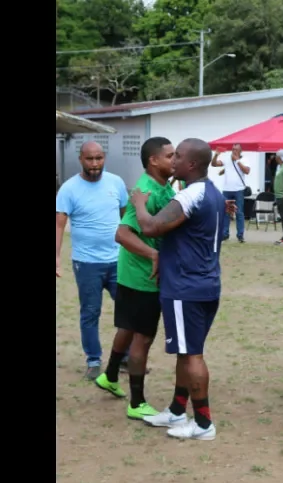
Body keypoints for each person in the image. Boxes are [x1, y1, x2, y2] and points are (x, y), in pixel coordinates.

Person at [133, 138, 229, 441]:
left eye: (178, 157)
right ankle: (177, 409)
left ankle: (203, 424)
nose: (172, 162)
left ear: (192, 165)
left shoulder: (191, 195)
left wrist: (137, 202)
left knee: (192, 355)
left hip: (186, 287)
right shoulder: (213, 193)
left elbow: (150, 227)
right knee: (185, 352)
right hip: (204, 283)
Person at [93, 137, 176, 421]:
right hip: (142, 278)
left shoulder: (164, 186)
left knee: (128, 328)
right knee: (143, 337)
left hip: (132, 273)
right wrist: (153, 255)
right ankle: (137, 402)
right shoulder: (147, 192)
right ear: (153, 160)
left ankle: (110, 376)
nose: (174, 160)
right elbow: (122, 233)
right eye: (170, 155)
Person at [56, 141, 129, 380]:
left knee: (128, 311)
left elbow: (125, 217)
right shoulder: (68, 189)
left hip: (118, 260)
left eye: (99, 158)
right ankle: (94, 361)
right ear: (81, 159)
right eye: (90, 159)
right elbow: (59, 224)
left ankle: (125, 357)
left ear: (104, 157)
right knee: (90, 312)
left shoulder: (116, 183)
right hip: (86, 263)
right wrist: (56, 258)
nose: (95, 164)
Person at [212, 144, 249, 243]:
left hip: (239, 190)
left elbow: (247, 171)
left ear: (240, 151)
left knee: (239, 213)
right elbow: (214, 164)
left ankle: (240, 235)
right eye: (233, 149)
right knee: (226, 212)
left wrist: (237, 160)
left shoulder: (244, 159)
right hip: (227, 189)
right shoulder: (227, 159)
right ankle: (225, 234)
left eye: (236, 150)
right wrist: (216, 155)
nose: (234, 151)